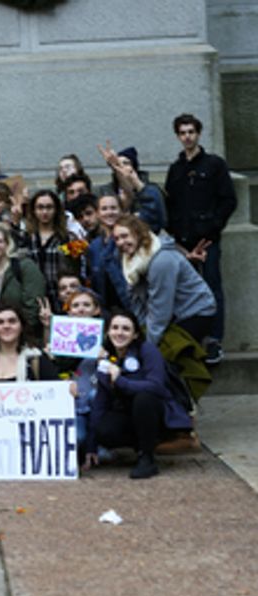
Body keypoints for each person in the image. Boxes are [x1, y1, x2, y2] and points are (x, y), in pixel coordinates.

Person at [164, 114, 236, 364]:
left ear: (198, 134)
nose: (187, 137)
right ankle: (191, 340)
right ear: (178, 136)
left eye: (191, 132)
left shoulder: (214, 165)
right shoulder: (175, 170)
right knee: (185, 291)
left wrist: (212, 229)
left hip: (208, 241)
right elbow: (170, 205)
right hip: (183, 242)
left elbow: (228, 200)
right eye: (182, 132)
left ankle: (214, 341)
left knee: (212, 287)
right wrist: (176, 237)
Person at [86, 311, 191, 479]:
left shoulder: (147, 350)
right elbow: (101, 401)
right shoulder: (106, 359)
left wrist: (120, 380)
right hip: (127, 412)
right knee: (103, 429)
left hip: (156, 408)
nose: (119, 333)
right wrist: (91, 446)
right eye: (115, 328)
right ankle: (140, 445)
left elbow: (156, 386)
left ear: (135, 334)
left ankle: (147, 457)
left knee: (143, 398)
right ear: (108, 332)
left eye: (126, 329)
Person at [114, 214, 217, 346]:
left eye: (125, 236)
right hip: (172, 314)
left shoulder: (161, 260)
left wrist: (148, 347)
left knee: (168, 352)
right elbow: (136, 301)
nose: (121, 242)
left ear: (138, 234)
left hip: (194, 312)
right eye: (116, 239)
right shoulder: (131, 262)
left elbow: (160, 309)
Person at [0, 303, 59, 382]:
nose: (6, 326)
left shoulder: (37, 359)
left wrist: (71, 389)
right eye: (0, 322)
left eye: (12, 321)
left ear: (21, 326)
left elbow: (57, 390)